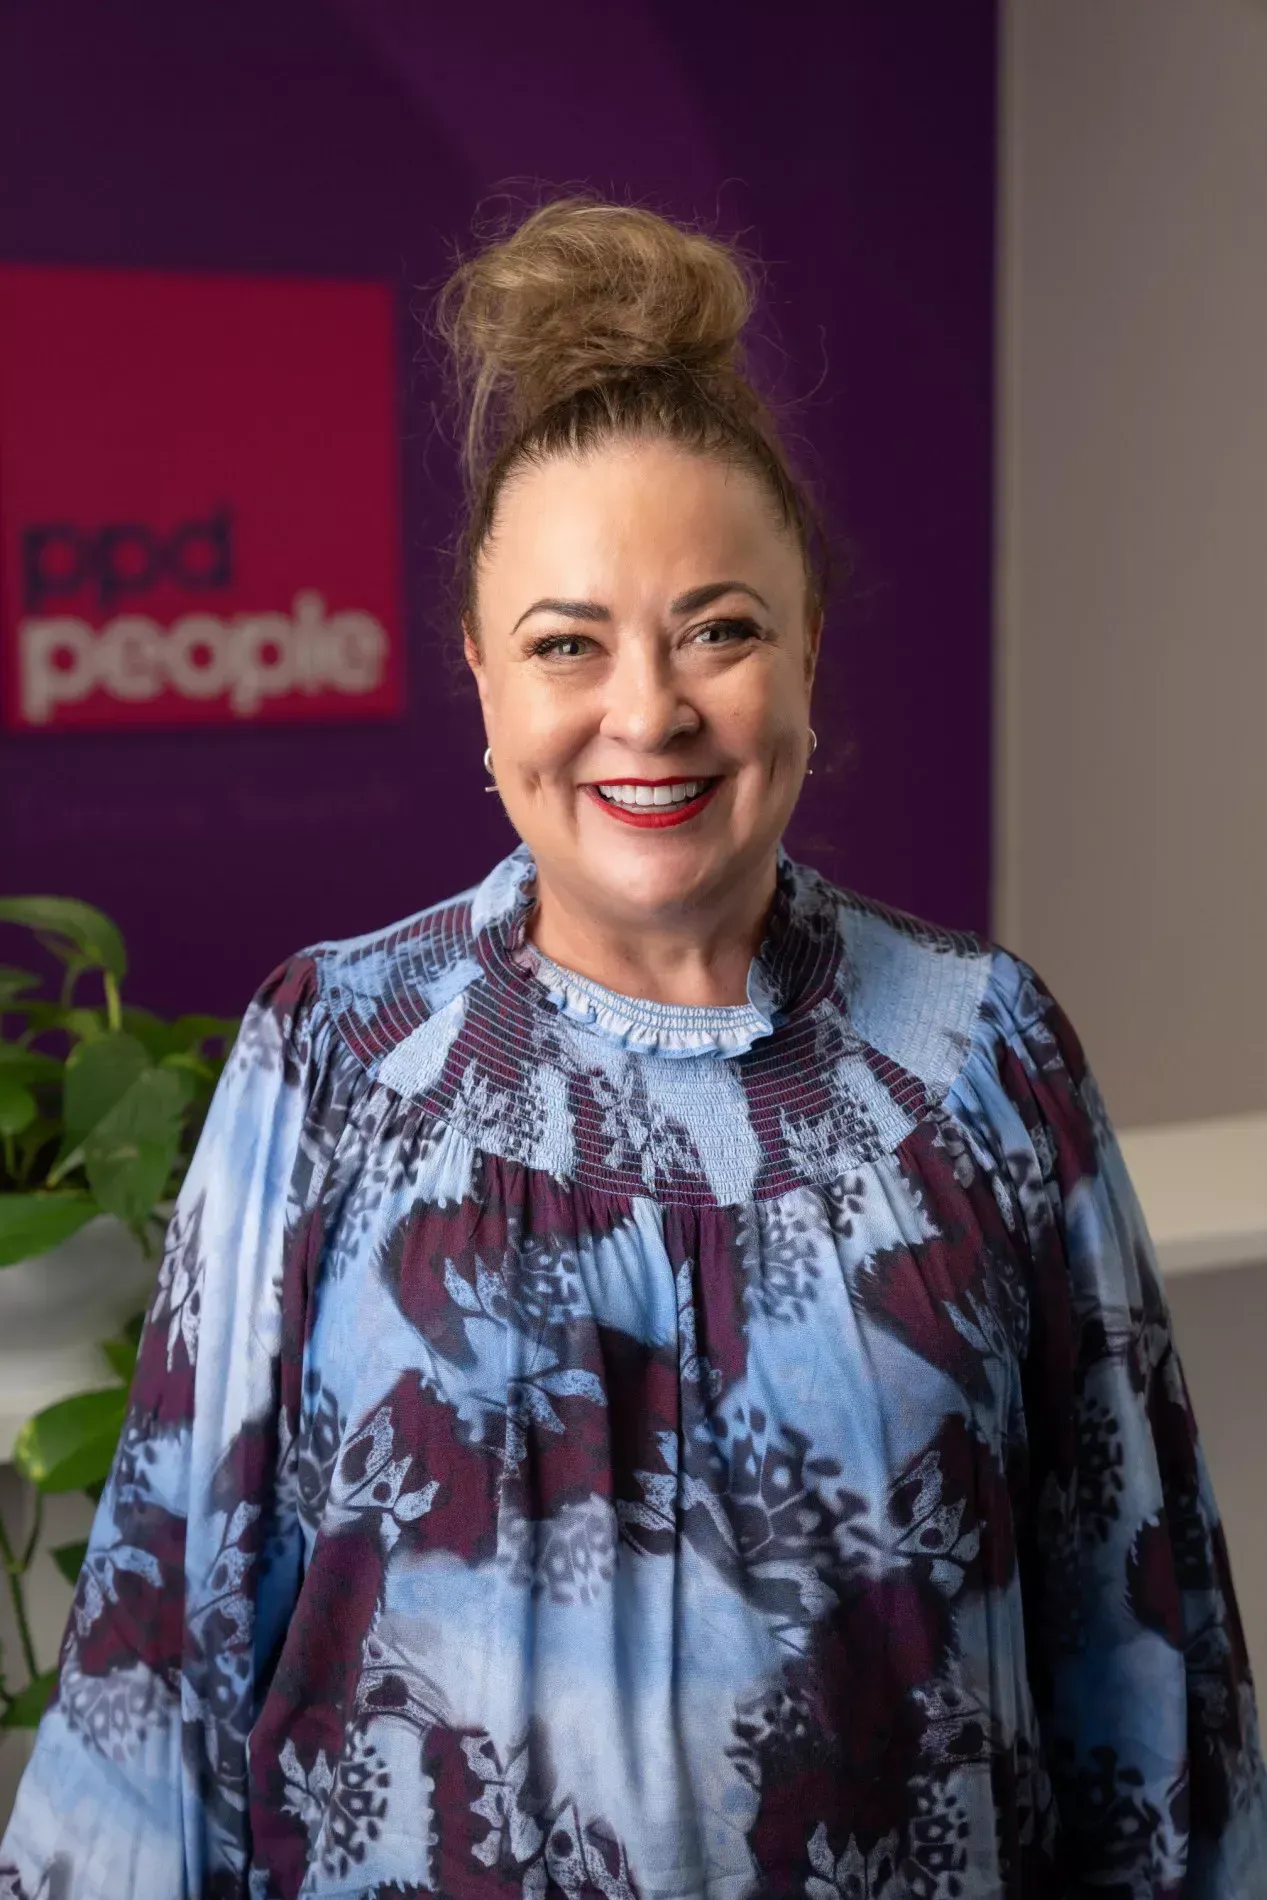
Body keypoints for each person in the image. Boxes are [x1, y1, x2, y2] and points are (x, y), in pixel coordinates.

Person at [2, 198, 1264, 1900]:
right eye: (566, 645)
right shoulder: (335, 1057)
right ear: (482, 681)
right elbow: (160, 1656)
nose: (648, 710)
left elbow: (1147, 1662)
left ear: (807, 652)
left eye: (718, 629)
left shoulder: (984, 1056)